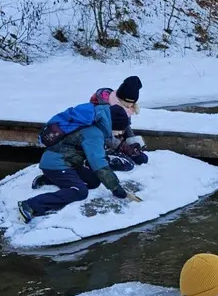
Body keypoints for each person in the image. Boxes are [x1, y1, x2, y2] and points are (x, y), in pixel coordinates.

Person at [17, 77, 142, 221]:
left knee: (94, 181)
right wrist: (115, 188)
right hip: (56, 164)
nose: (120, 134)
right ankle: (31, 205)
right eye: (119, 131)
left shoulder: (97, 124)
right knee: (80, 192)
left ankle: (48, 179)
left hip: (68, 163)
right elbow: (98, 162)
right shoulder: (94, 133)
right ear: (113, 125)